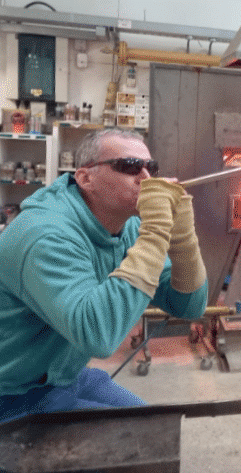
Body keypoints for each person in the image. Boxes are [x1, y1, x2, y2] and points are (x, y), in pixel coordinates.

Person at [0, 128, 208, 423]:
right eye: (129, 166)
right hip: (11, 392)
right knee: (136, 443)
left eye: (151, 168)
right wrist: (156, 229)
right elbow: (98, 336)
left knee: (153, 429)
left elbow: (189, 305)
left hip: (62, 375)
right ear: (86, 178)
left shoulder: (128, 227)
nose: (146, 178)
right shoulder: (46, 235)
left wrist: (182, 234)